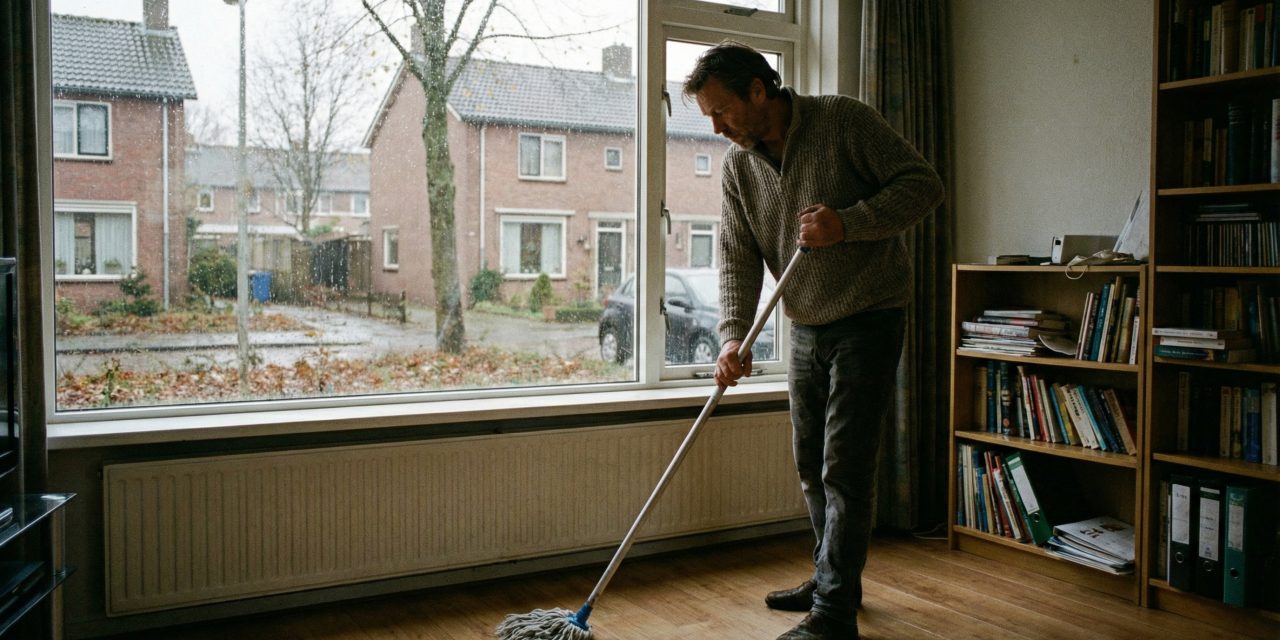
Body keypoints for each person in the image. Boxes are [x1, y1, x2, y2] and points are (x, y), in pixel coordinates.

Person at [683, 41, 944, 640]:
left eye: (722, 112)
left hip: (869, 313)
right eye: (708, 119)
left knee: (844, 467)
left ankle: (833, 614)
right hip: (804, 322)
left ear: (758, 89)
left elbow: (922, 186)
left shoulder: (843, 119)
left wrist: (847, 223)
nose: (718, 129)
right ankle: (829, 574)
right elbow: (736, 255)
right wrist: (731, 337)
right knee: (809, 464)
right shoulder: (739, 167)